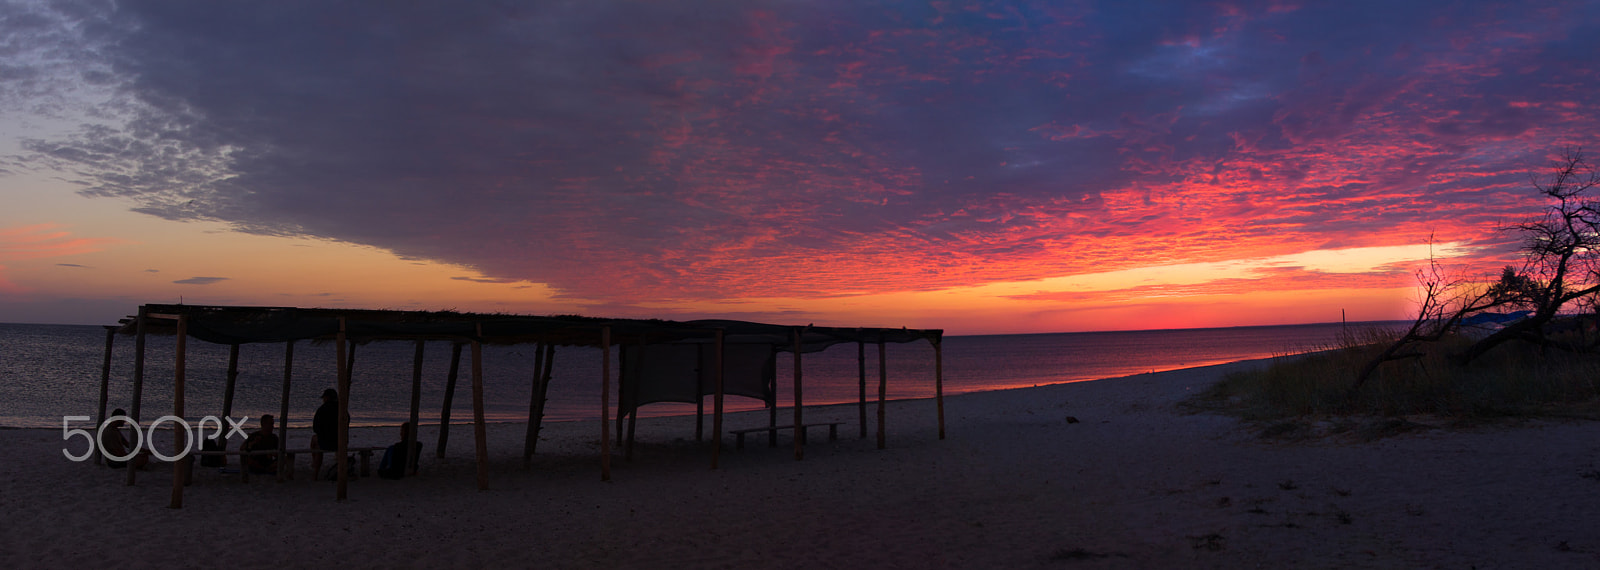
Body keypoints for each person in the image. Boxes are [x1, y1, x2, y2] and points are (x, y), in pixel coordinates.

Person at [311, 388, 339, 480]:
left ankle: (315, 469)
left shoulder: (322, 410)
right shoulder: (341, 409)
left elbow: (315, 428)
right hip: (339, 441)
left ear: (327, 398)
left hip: (325, 441)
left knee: (315, 441)